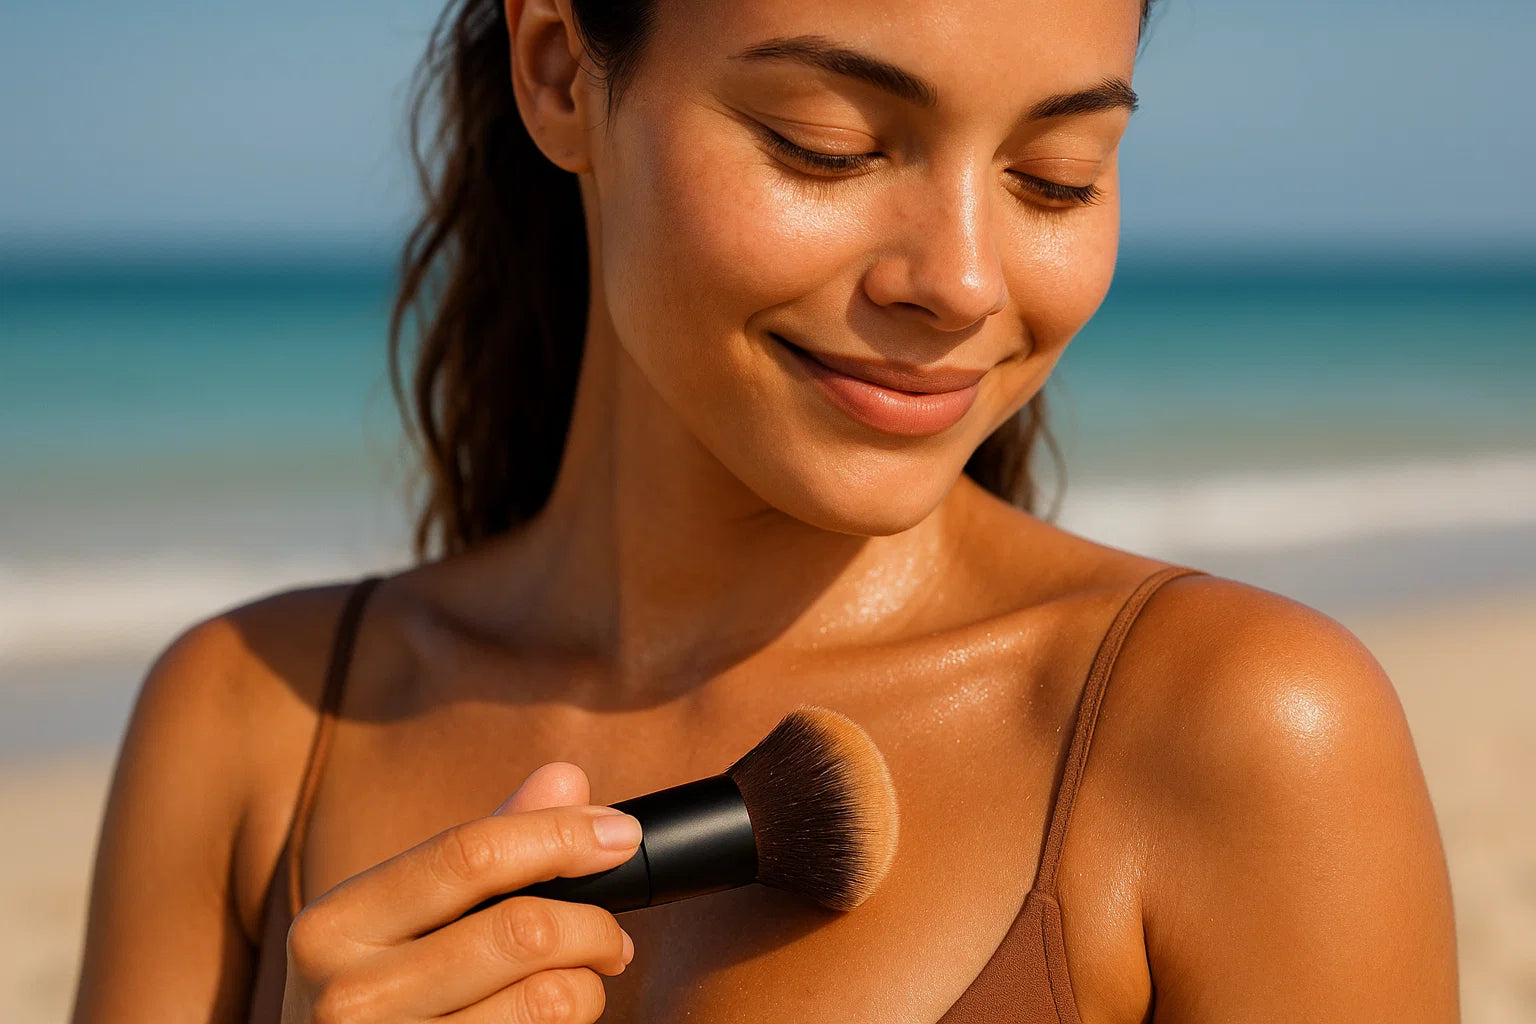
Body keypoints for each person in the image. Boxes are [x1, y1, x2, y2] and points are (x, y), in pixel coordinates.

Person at [70, 0, 1459, 1020]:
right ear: (560, 71)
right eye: (831, 144)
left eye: (1057, 177)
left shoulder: (1241, 729)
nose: (963, 282)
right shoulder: (248, 721)